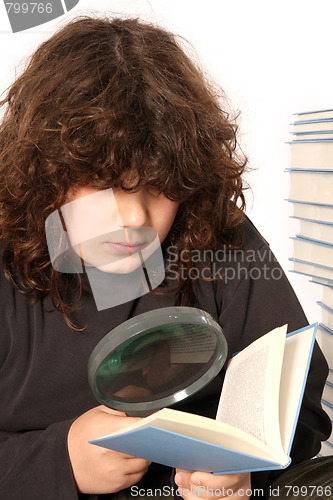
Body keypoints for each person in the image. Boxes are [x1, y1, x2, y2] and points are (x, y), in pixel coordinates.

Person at [0, 15, 331, 500]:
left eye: (160, 185)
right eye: (105, 183)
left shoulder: (217, 236)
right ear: (46, 174)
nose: (135, 216)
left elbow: (302, 407)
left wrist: (244, 468)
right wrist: (59, 460)